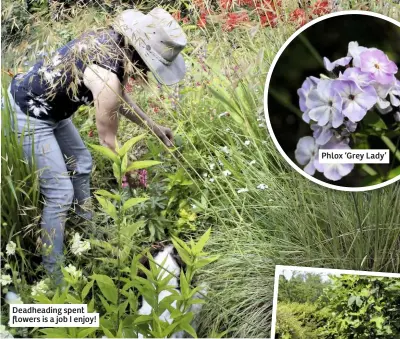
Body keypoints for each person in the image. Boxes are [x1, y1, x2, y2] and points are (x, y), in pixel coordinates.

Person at [7, 7, 187, 284]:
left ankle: (87, 227)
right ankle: (55, 277)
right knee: (59, 195)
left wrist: (154, 128)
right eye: (150, 67)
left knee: (82, 162)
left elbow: (119, 99)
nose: (148, 73)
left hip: (52, 111)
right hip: (28, 114)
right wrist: (129, 174)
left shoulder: (113, 43)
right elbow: (108, 142)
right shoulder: (108, 76)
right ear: (142, 57)